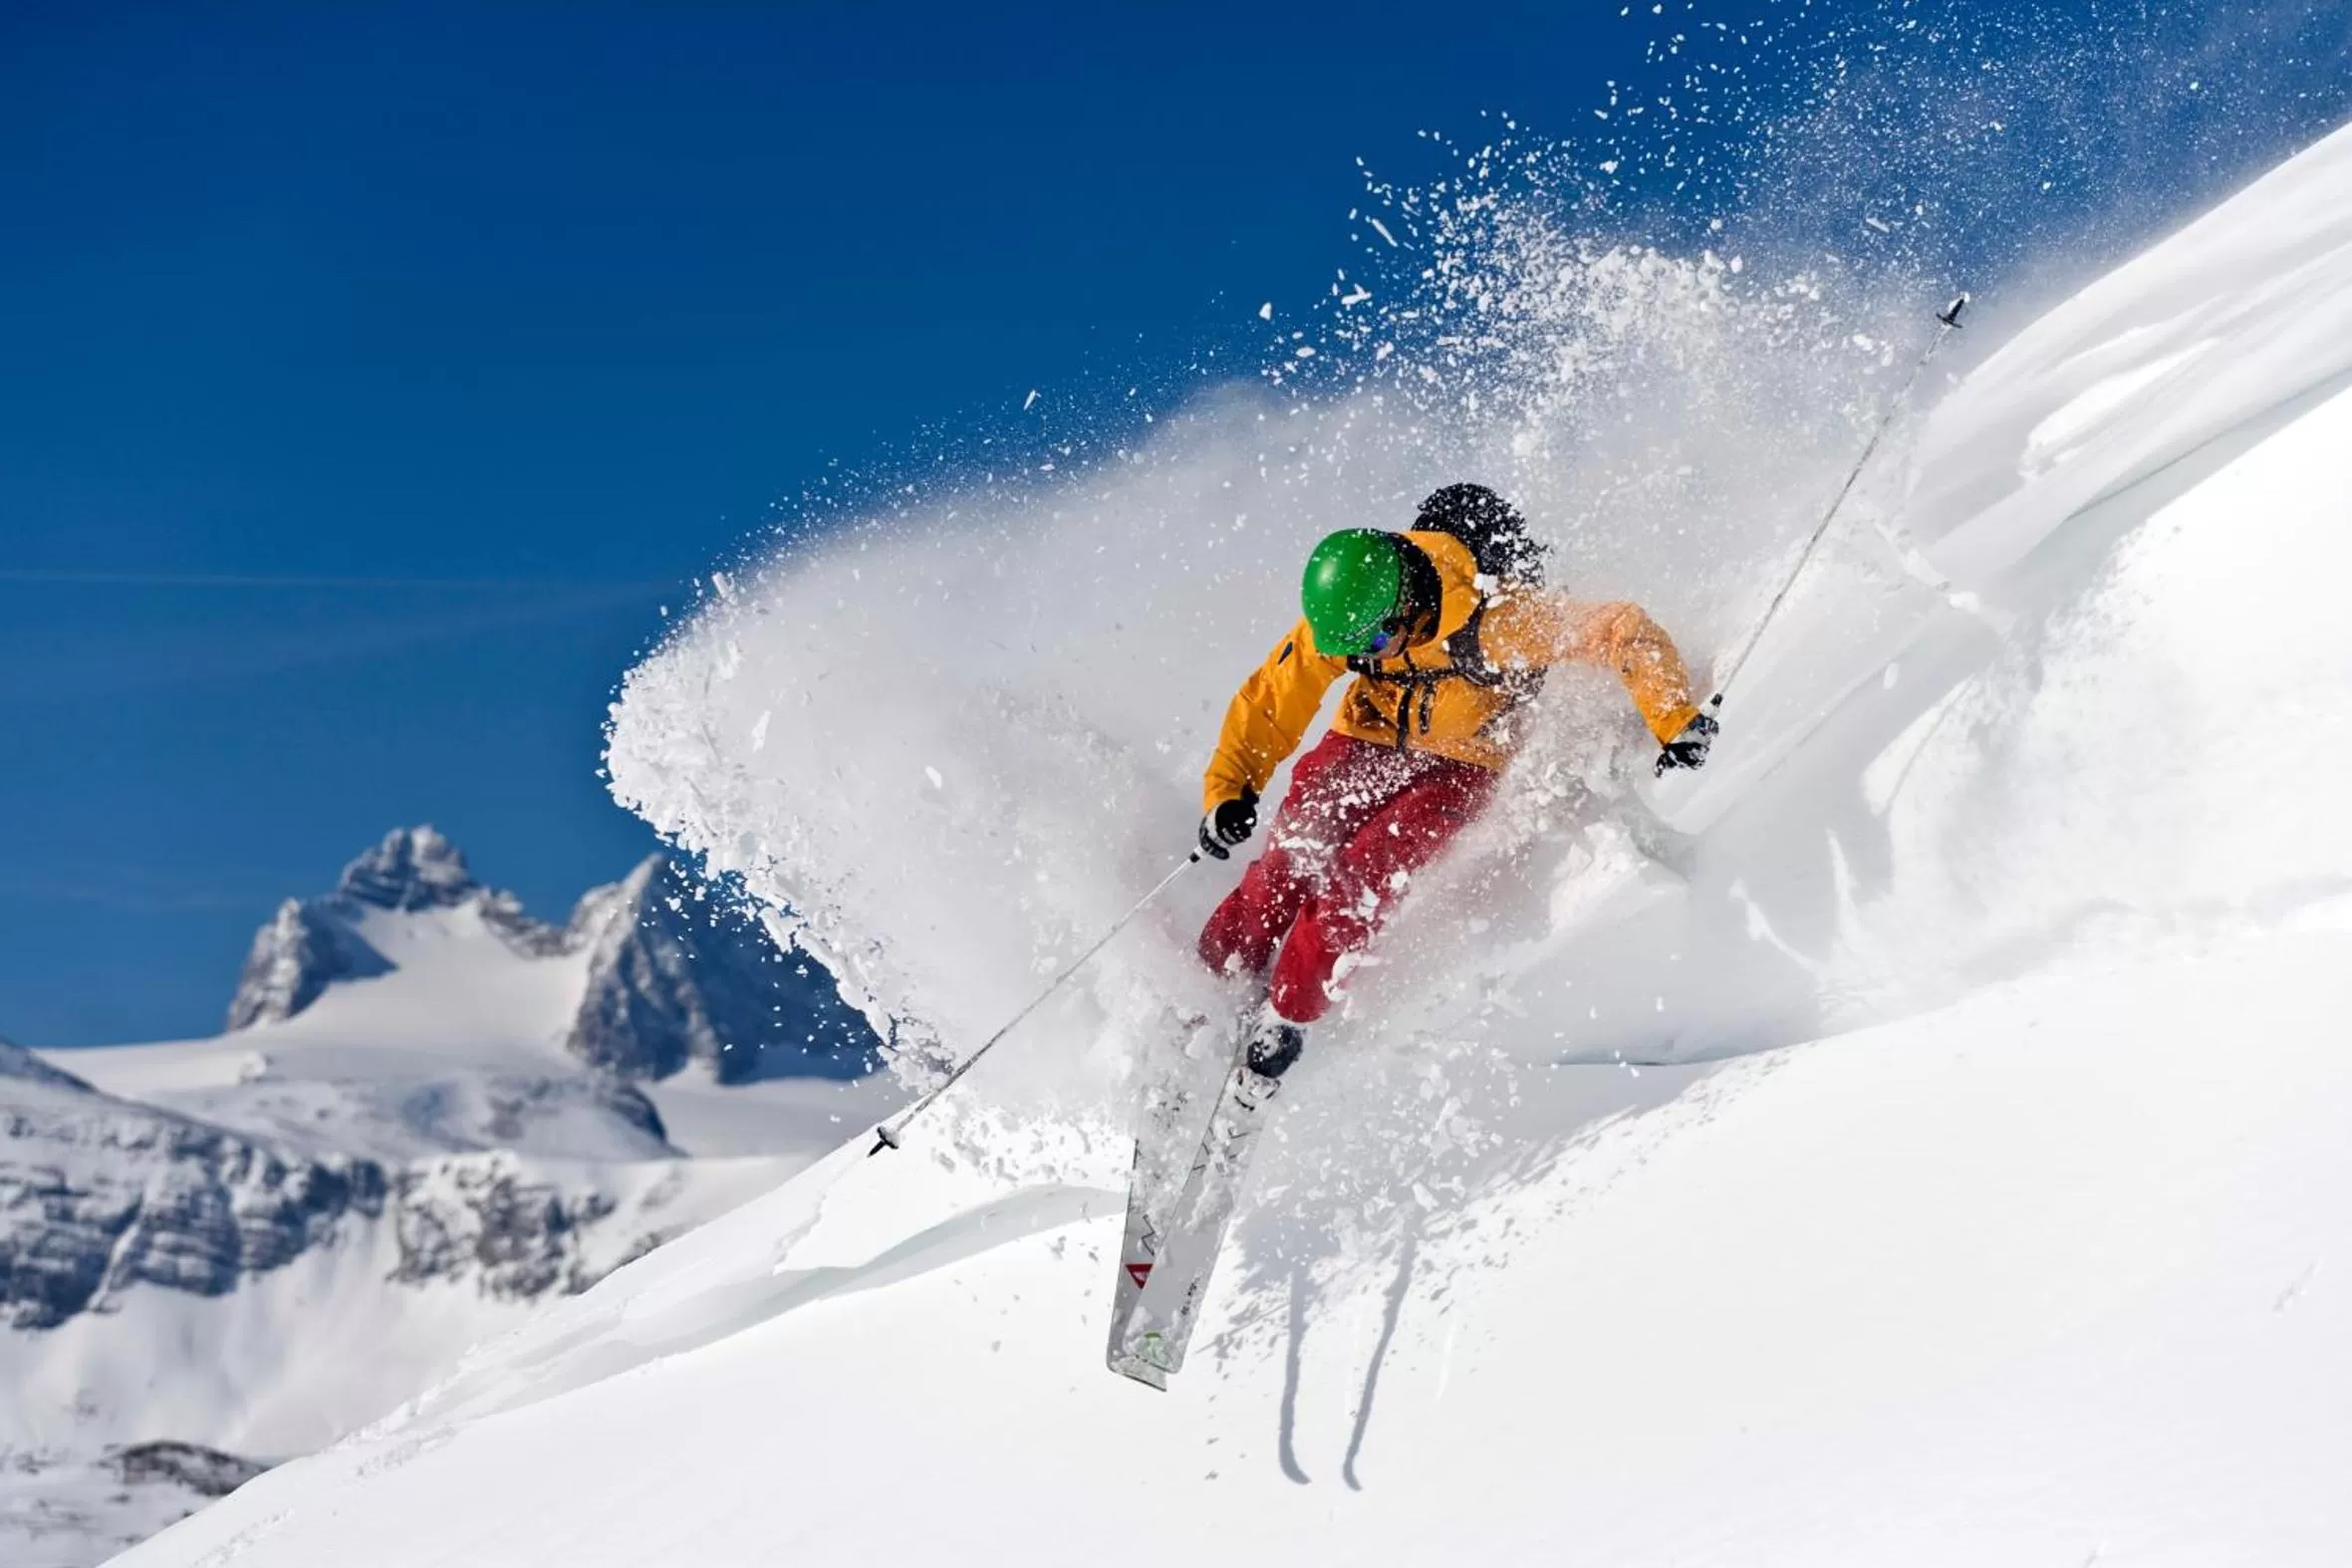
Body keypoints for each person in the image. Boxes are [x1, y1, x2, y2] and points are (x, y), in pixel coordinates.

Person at [1193, 483, 1717, 1080]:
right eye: (1353, 652)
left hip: (1462, 765)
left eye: (1374, 646)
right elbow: (1271, 699)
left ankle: (1287, 1016)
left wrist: (1675, 719)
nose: (1365, 660)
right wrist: (1230, 791)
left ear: (1408, 605)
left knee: (1361, 880)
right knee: (1290, 854)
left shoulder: (1499, 624)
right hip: (1364, 740)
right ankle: (1211, 984)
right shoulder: (1353, 613)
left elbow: (1621, 629)